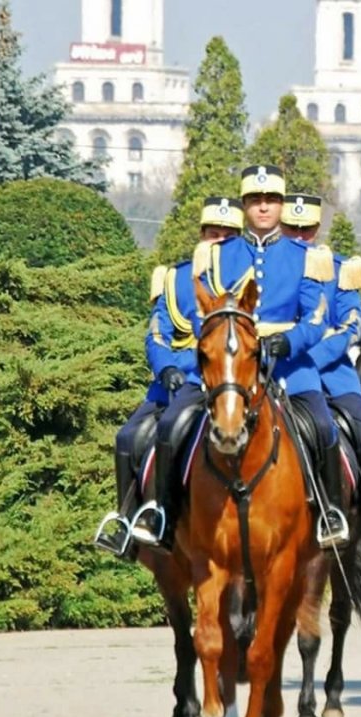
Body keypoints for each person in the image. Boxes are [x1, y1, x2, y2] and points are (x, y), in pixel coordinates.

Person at [131, 164, 350, 548]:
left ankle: (330, 515)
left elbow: (315, 317)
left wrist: (288, 342)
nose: (263, 208)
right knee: (171, 426)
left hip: (288, 367)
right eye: (255, 201)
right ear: (245, 206)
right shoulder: (216, 257)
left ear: (281, 206)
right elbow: (207, 317)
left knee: (323, 426)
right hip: (228, 368)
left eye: (270, 201)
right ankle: (162, 515)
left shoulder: (306, 257)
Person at [92, 195, 244, 556]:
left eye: (227, 233)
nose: (217, 238)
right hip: (172, 383)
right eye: (211, 231)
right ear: (201, 233)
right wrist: (167, 369)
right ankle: (129, 523)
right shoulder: (175, 278)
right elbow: (157, 334)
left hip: (223, 382)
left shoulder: (249, 281)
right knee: (127, 437)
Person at [278, 190, 361, 554]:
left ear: (317, 228)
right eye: (292, 228)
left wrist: (307, 359)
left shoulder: (341, 268)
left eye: (306, 229)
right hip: (271, 369)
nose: (299, 235)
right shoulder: (267, 265)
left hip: (329, 370)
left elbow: (350, 327)